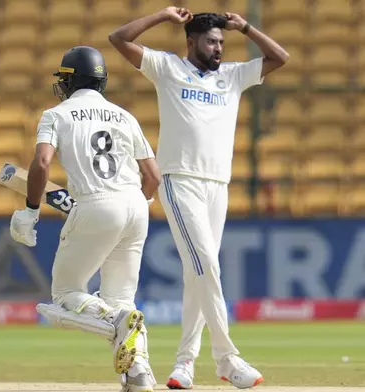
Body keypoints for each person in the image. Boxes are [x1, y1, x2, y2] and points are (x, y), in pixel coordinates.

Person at [109, 7, 289, 390]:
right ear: (191, 42)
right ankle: (227, 358)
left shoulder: (233, 75)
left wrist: (248, 28)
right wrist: (161, 16)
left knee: (198, 275)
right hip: (180, 180)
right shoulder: (168, 68)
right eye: (211, 41)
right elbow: (119, 39)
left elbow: (279, 58)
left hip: (217, 185)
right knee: (207, 266)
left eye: (222, 41)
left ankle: (184, 364)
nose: (219, 47)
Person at [10, 46, 162, 392]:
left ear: (69, 80)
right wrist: (138, 205)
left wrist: (30, 212)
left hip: (94, 203)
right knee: (122, 298)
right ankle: (139, 376)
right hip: (136, 205)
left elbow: (43, 164)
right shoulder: (125, 116)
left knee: (65, 295)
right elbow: (152, 175)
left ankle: (114, 322)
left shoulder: (56, 115)